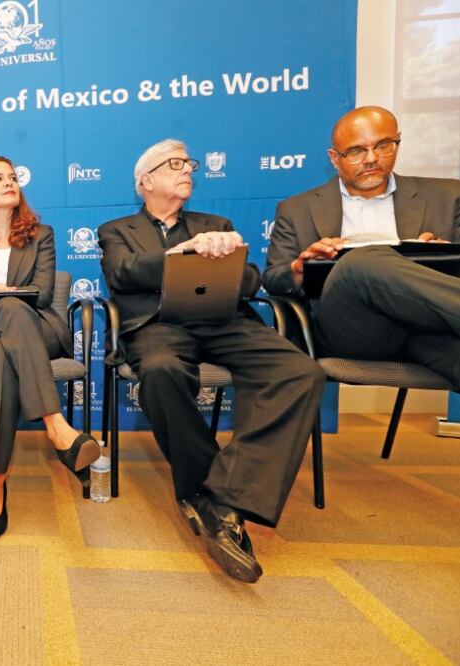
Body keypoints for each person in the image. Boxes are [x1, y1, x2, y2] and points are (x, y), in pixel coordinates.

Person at [99, 139, 325, 583]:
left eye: (190, 164)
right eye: (175, 164)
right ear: (145, 181)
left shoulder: (215, 225)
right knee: (161, 371)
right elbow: (123, 273)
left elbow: (251, 280)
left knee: (301, 372)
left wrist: (226, 255)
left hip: (224, 321)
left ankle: (220, 493)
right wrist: (185, 252)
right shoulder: (117, 229)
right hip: (158, 325)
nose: (187, 170)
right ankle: (217, 498)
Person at [0, 155, 99, 540]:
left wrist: (5, 295)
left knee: (2, 352)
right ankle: (56, 426)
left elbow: (42, 293)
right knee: (5, 313)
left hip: (37, 329)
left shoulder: (41, 234)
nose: (9, 182)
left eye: (12, 177)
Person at [264, 106, 460, 388]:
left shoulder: (448, 196)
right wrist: (299, 268)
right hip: (352, 329)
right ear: (335, 158)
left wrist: (446, 252)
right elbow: (274, 280)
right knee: (360, 261)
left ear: (397, 141)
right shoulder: (297, 209)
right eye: (356, 151)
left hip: (429, 327)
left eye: (383, 145)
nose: (371, 159)